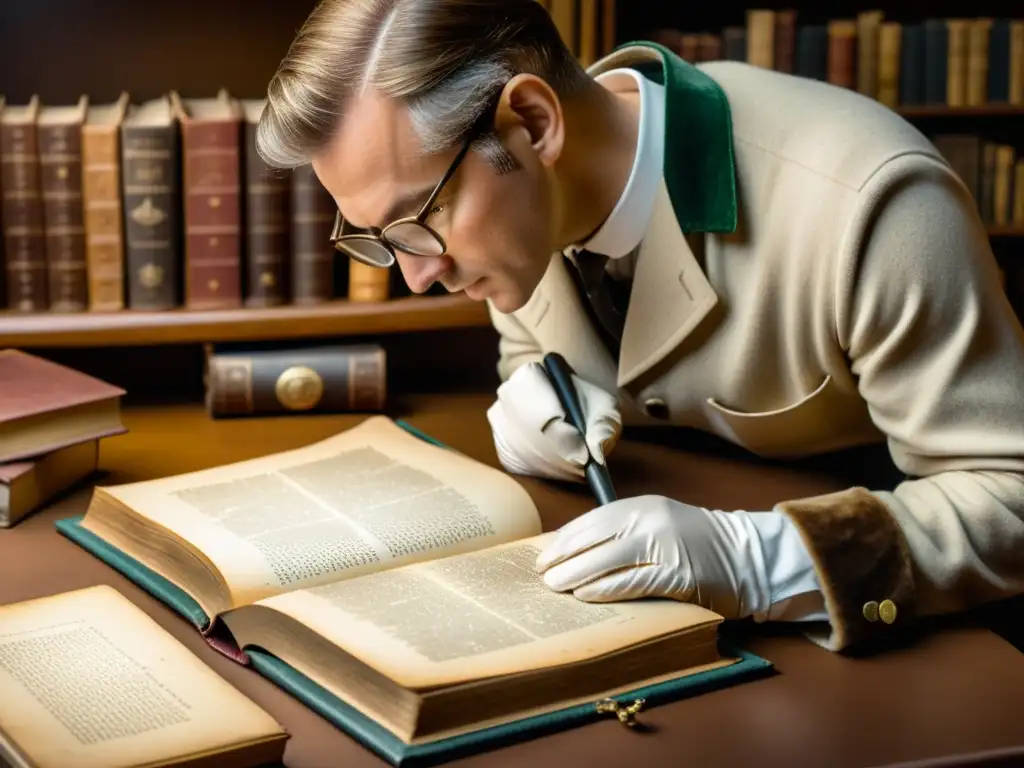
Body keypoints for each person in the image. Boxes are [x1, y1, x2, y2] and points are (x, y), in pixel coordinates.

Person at [255, 0, 1024, 653]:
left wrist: (762, 559)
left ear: (531, 120)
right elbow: (536, 350)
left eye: (416, 220)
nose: (417, 274)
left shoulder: (870, 202)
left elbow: (1011, 499)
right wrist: (533, 397)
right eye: (375, 238)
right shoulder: (514, 209)